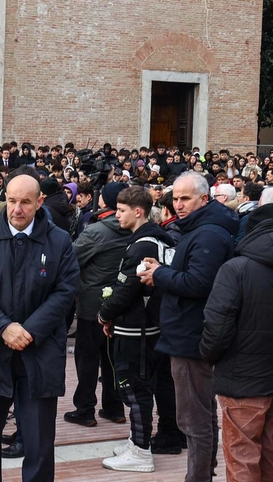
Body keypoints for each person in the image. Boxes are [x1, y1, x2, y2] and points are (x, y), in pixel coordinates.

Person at [0, 171, 79, 482]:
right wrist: (3, 328)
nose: (17, 209)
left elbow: (66, 290)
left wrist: (29, 331)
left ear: (39, 202)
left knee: (39, 442)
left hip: (38, 354)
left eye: (25, 202)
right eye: (12, 201)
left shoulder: (59, 242)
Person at [201, 201, 273, 482]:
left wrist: (212, 356)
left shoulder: (235, 269)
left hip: (241, 379)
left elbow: (216, 326)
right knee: (272, 451)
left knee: (242, 453)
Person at [138, 171, 238, 482]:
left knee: (193, 418)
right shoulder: (202, 228)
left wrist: (159, 274)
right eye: (176, 198)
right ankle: (203, 472)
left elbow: (198, 282)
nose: (178, 204)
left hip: (191, 334)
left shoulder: (207, 233)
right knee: (201, 413)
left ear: (204, 199)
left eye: (186, 198)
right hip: (191, 331)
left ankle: (197, 476)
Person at [97, 185, 182, 472]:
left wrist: (105, 314)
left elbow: (127, 289)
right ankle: (137, 441)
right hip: (147, 326)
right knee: (143, 386)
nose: (117, 215)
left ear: (138, 211)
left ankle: (141, 452)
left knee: (134, 389)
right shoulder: (154, 239)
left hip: (139, 329)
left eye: (121, 211)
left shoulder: (144, 244)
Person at [68, 181, 130, 428]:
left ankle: (85, 409)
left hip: (93, 305)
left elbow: (71, 258)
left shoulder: (97, 231)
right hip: (121, 301)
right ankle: (115, 408)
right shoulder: (136, 229)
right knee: (113, 358)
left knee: (87, 358)